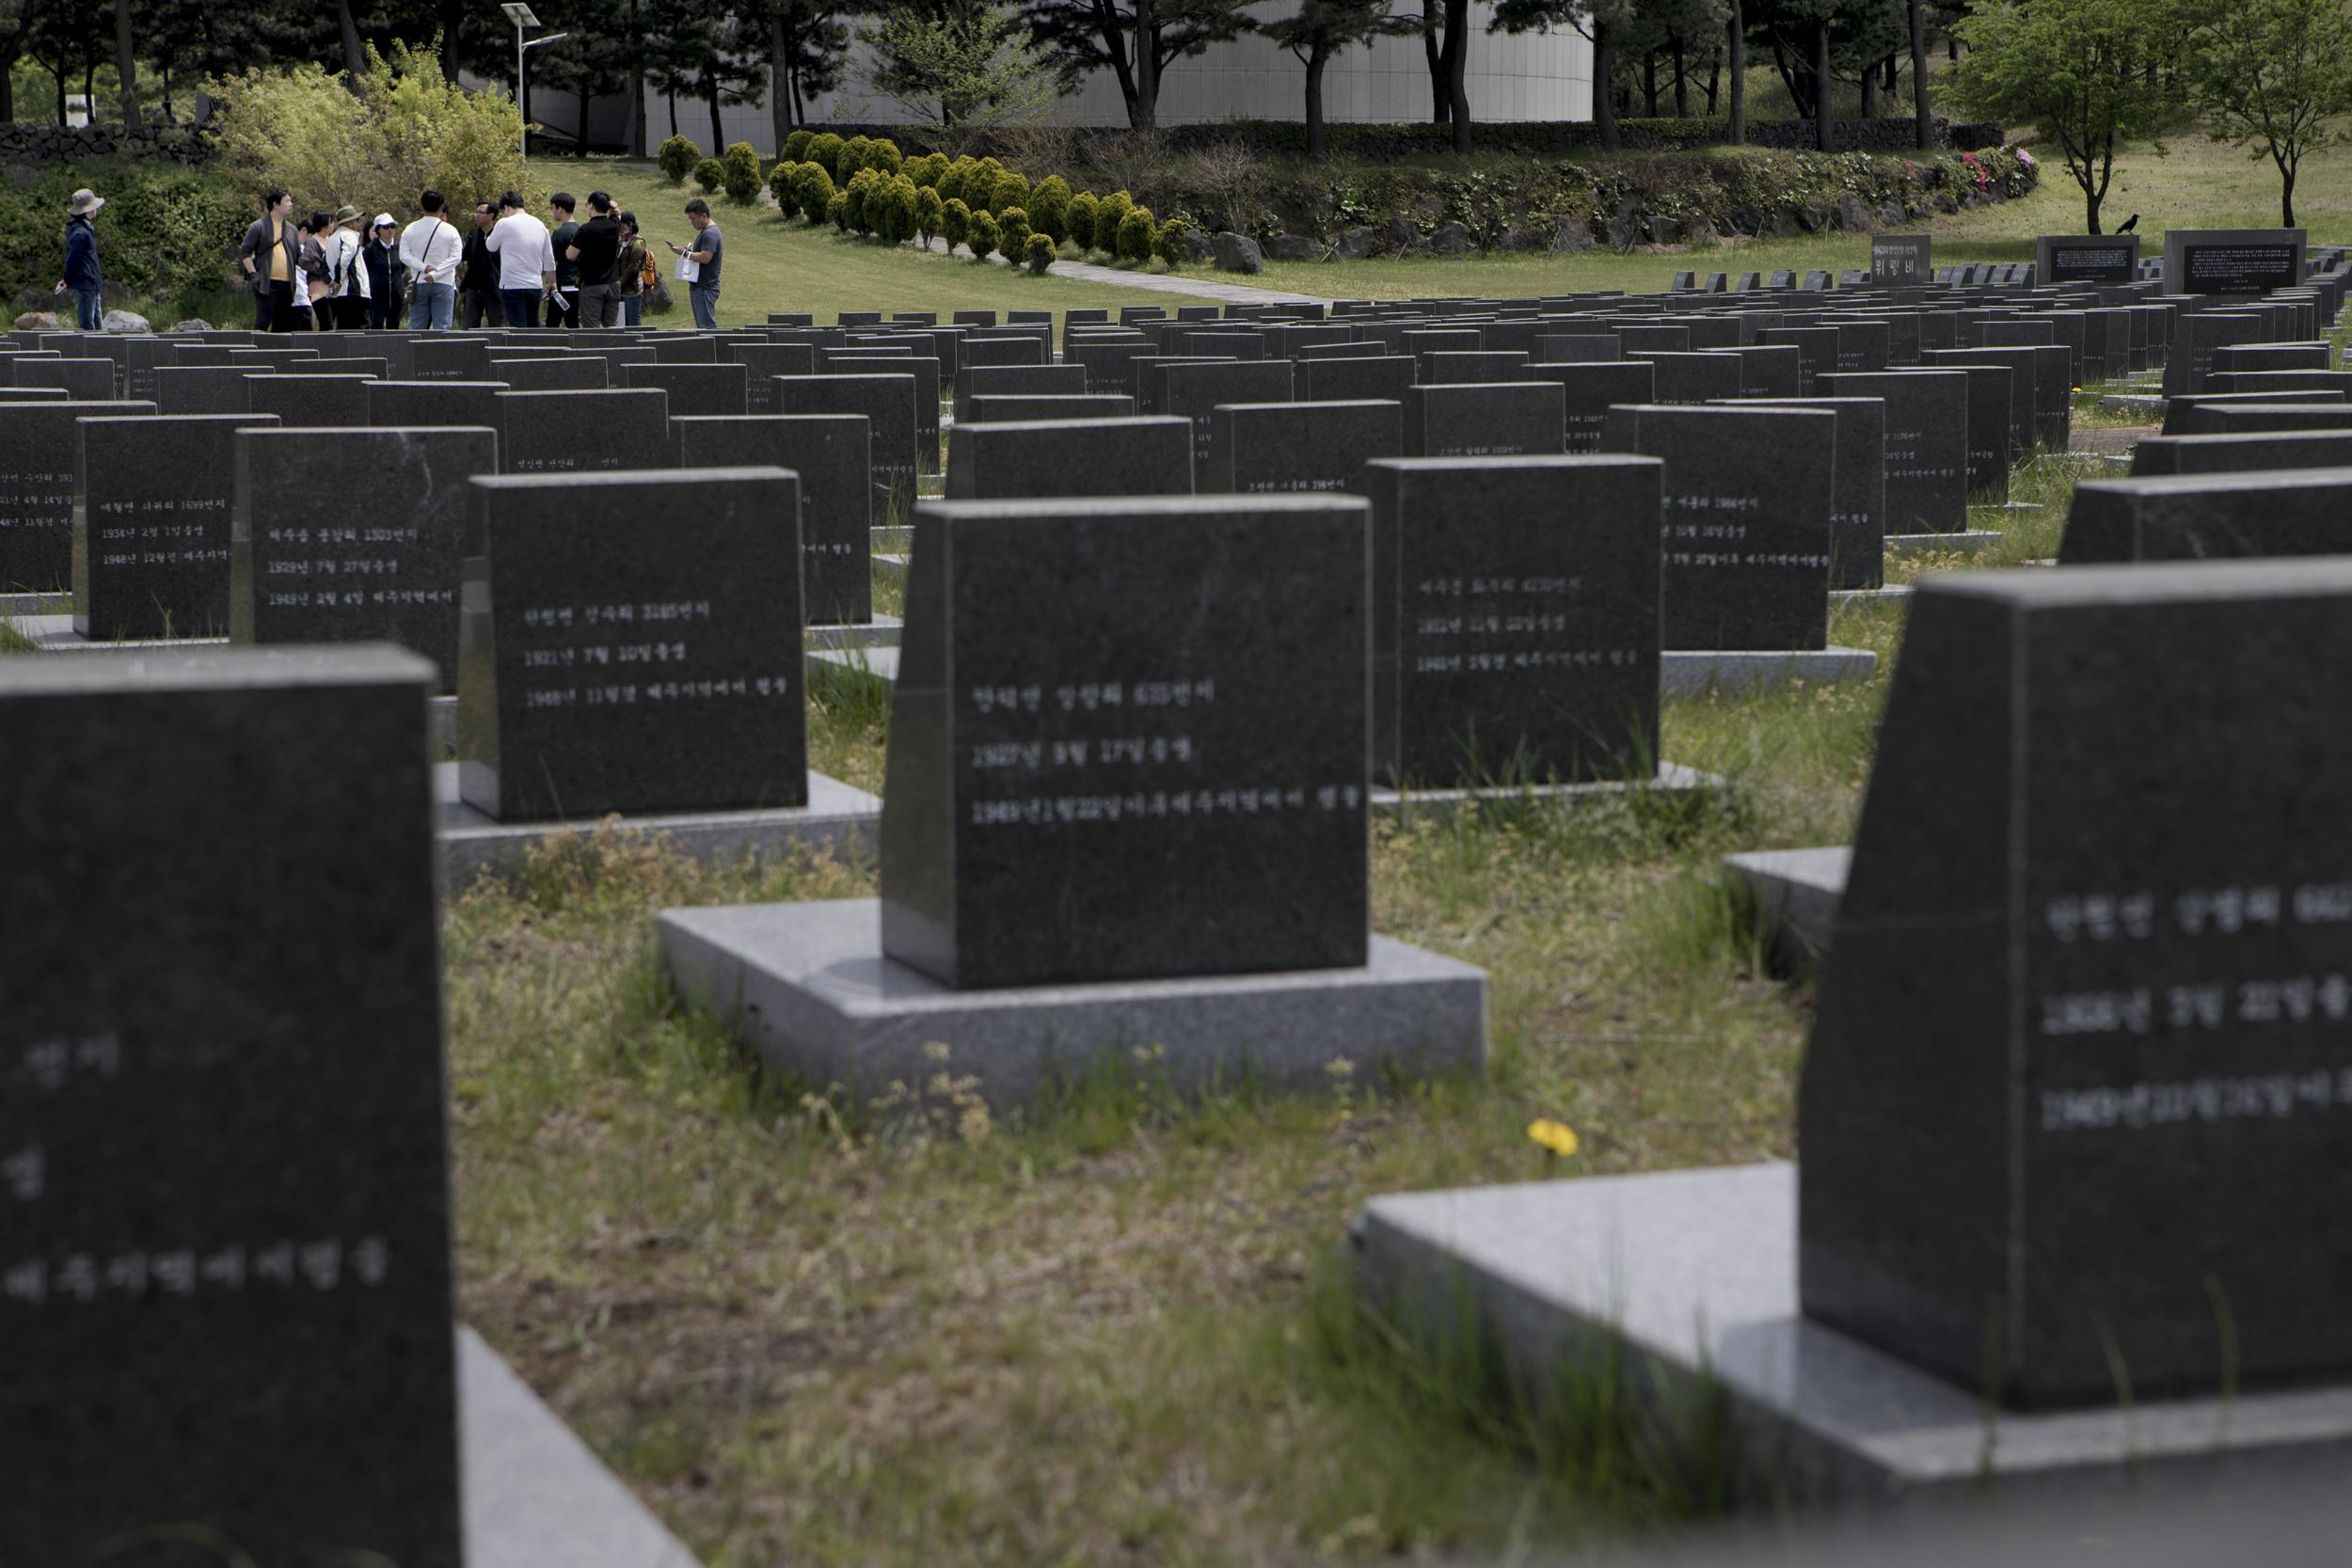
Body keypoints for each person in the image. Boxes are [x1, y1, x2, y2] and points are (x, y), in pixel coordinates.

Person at [485, 190, 555, 330]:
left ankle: (521, 352)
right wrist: (552, 281)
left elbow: (491, 246)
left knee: (518, 327)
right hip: (534, 285)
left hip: (512, 284)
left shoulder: (504, 223)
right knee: (533, 325)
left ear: (507, 207)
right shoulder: (540, 225)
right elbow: (549, 257)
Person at [238, 187, 302, 332]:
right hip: (266, 283)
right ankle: (256, 351)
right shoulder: (258, 226)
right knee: (263, 321)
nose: (291, 204)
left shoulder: (292, 230)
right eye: (287, 201)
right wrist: (253, 274)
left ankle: (279, 354)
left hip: (287, 284)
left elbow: (299, 256)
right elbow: (245, 251)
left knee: (284, 325)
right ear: (275, 204)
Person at [400, 190, 463, 331]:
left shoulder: (410, 229)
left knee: (417, 327)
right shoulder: (451, 230)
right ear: (441, 207)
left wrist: (424, 267)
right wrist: (436, 273)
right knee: (442, 328)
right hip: (444, 282)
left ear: (422, 206)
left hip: (419, 281)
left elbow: (404, 255)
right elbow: (456, 257)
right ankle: (440, 353)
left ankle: (414, 352)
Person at [567, 190, 624, 328]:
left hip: (592, 284)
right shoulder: (614, 226)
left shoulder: (585, 229)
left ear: (591, 205)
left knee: (591, 328)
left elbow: (570, 255)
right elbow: (618, 215)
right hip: (613, 283)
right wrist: (614, 207)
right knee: (611, 326)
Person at [669, 198, 723, 330]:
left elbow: (706, 257)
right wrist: (687, 253)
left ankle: (714, 351)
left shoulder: (710, 233)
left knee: (707, 328)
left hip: (705, 287)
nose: (692, 222)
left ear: (703, 216)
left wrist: (685, 253)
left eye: (693, 218)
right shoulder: (706, 232)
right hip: (701, 287)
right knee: (703, 327)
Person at [60, 187, 103, 332]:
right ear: (87, 211)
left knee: (97, 329)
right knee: (88, 329)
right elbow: (73, 259)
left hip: (91, 285)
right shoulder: (80, 232)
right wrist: (67, 280)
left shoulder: (85, 229)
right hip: (84, 285)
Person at [322, 205, 370, 330]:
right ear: (350, 222)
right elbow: (344, 259)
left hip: (337, 295)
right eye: (357, 220)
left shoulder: (331, 238)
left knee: (343, 331)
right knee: (360, 332)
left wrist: (330, 281)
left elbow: (323, 265)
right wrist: (338, 280)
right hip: (353, 292)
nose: (359, 224)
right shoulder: (349, 236)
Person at [459, 201, 500, 329]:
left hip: (493, 287)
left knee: (495, 324)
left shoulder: (499, 233)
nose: (476, 215)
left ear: (491, 215)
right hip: (473, 286)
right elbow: (464, 255)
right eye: (476, 212)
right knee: (471, 325)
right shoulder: (474, 233)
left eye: (480, 213)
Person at [292, 212, 332, 330]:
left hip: (330, 288)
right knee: (326, 322)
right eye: (331, 222)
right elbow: (304, 262)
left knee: (327, 323)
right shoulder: (313, 242)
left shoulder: (330, 240)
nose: (333, 225)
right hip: (316, 288)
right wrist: (321, 271)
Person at [363, 214, 404, 329]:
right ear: (378, 230)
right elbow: (365, 268)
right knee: (376, 328)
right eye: (386, 227)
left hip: (396, 297)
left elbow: (402, 268)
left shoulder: (398, 248)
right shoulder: (371, 249)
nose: (390, 229)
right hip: (377, 297)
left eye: (392, 226)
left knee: (394, 328)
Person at [547, 192, 580, 329]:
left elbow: (554, 262)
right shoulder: (580, 230)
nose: (552, 212)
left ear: (560, 209)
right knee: (573, 323)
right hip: (577, 284)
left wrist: (549, 282)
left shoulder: (560, 234)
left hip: (561, 286)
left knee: (552, 323)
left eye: (553, 208)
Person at [616, 211, 648, 327]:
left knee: (633, 322)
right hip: (620, 289)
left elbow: (633, 268)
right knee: (621, 322)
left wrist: (619, 283)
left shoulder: (638, 243)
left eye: (621, 225)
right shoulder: (622, 242)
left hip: (632, 289)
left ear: (629, 225)